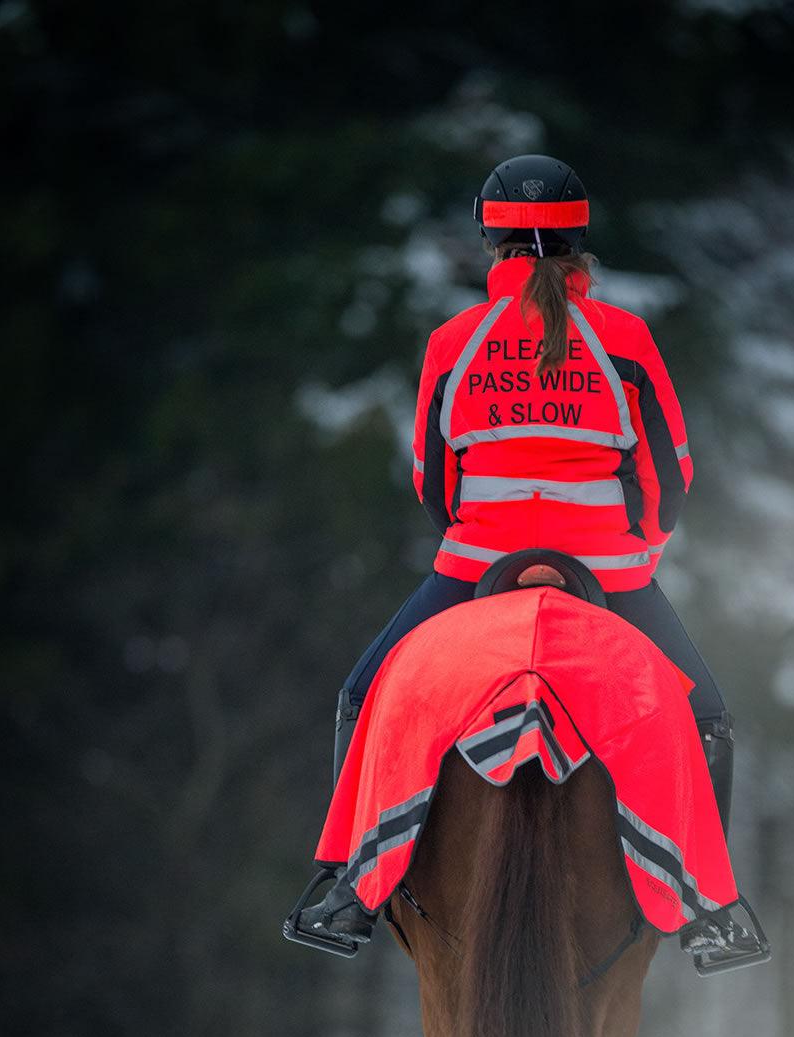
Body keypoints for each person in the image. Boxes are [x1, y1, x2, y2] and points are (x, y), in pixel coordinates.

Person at [301, 154, 737, 955]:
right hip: (608, 575)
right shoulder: (626, 338)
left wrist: (481, 532)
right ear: (580, 248)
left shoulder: (455, 341)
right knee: (704, 717)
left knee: (363, 694)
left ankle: (344, 888)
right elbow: (668, 475)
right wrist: (633, 548)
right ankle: (712, 914)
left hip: (475, 566)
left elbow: (432, 478)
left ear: (488, 246)